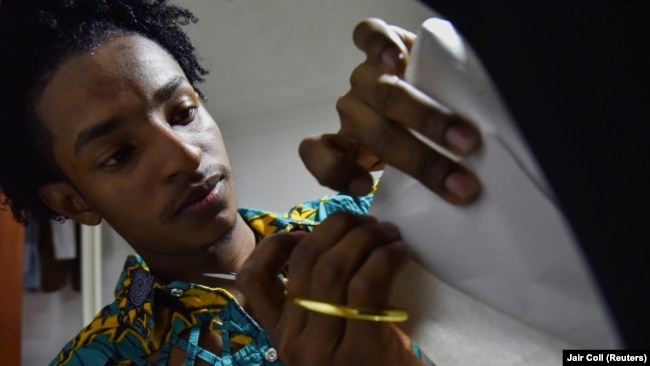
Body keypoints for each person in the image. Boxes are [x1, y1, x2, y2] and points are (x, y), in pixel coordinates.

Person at [0, 0, 481, 365]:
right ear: (72, 200)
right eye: (120, 154)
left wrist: (469, 120)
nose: (184, 155)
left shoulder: (370, 223)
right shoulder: (99, 358)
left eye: (184, 113)